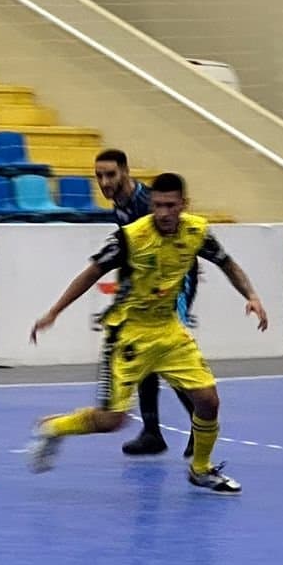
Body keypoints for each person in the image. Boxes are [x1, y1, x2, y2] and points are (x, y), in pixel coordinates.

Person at [26, 172, 267, 494]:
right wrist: (54, 312)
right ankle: (53, 427)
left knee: (208, 401)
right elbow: (91, 272)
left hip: (168, 332)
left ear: (184, 204)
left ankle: (200, 469)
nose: (164, 213)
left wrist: (251, 295)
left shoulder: (197, 231)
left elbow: (227, 264)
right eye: (157, 206)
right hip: (128, 334)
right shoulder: (131, 237)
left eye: (171, 205)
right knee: (112, 421)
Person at [92, 146, 197, 456]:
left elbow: (168, 247)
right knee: (143, 351)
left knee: (164, 352)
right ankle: (152, 432)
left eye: (110, 174)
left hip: (175, 282)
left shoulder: (145, 203)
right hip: (150, 285)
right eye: (99, 176)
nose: (105, 182)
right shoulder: (121, 205)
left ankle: (199, 422)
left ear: (126, 173)